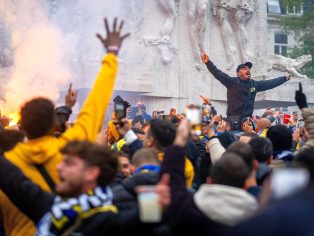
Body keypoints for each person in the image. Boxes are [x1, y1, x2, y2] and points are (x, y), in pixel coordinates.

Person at [0, 17, 129, 236]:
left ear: (21, 126)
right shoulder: (71, 146)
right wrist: (112, 55)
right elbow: (96, 103)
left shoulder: (8, 166)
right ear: (54, 125)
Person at [0, 141, 138, 235]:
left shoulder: (112, 224)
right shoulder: (52, 207)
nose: (59, 167)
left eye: (68, 163)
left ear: (91, 173)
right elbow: (12, 178)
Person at [201, 51, 291, 130]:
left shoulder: (254, 84)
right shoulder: (232, 82)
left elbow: (270, 83)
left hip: (247, 121)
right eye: (244, 69)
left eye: (248, 69)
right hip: (233, 121)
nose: (248, 70)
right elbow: (218, 73)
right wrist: (208, 62)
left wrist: (284, 78)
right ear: (238, 73)